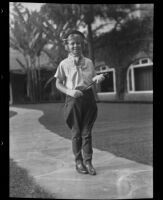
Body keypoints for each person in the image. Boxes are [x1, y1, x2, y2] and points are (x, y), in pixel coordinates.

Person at [54, 30, 105, 175]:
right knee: (76, 133)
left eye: (78, 43)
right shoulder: (64, 64)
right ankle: (78, 161)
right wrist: (70, 92)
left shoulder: (89, 62)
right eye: (72, 43)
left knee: (87, 133)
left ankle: (88, 162)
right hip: (73, 99)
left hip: (88, 99)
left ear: (82, 44)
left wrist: (97, 79)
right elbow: (58, 84)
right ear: (67, 46)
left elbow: (92, 81)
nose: (76, 46)